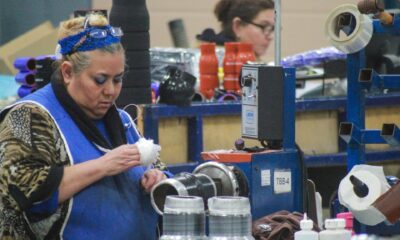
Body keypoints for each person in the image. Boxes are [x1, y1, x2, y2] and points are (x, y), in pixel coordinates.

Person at [0, 14, 169, 239]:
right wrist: (102, 166)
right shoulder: (29, 116)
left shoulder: (122, 121)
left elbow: (160, 170)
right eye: (100, 80)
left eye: (117, 79)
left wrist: (159, 178)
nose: (110, 90)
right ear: (68, 72)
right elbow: (20, 192)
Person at [197, 0, 275, 59]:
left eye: (272, 28)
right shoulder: (217, 64)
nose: (270, 36)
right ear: (238, 26)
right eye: (264, 26)